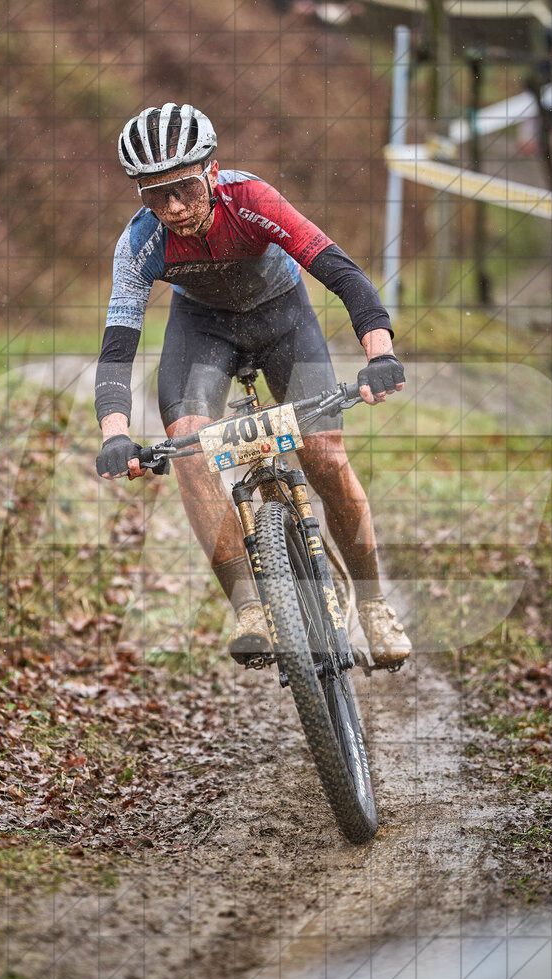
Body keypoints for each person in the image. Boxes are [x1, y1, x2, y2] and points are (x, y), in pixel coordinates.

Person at [95, 102, 411, 666]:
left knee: (324, 453)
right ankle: (249, 607)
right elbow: (118, 346)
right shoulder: (139, 244)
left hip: (283, 317)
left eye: (185, 188)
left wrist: (379, 353)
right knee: (190, 448)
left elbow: (339, 270)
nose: (171, 208)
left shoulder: (252, 200)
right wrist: (115, 434)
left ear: (211, 172)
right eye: (152, 194)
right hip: (203, 330)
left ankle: (373, 604)